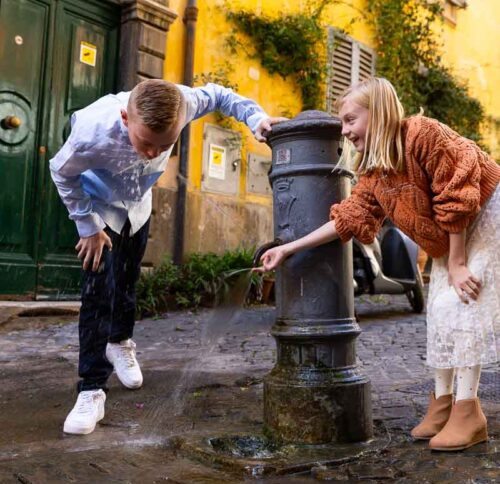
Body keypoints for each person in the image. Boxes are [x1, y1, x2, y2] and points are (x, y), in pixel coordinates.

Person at [255, 77, 499, 452]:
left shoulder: (423, 133)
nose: (345, 131)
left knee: (461, 304)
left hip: (484, 213)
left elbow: (459, 192)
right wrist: (288, 249)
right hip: (455, 232)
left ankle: (469, 414)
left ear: (379, 112)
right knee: (437, 310)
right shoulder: (376, 175)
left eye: (351, 120)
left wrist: (457, 262)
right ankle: (443, 403)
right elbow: (346, 220)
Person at [50, 79, 284, 435]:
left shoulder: (185, 102)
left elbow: (221, 95)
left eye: (163, 145)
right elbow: (61, 173)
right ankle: (91, 389)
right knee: (99, 293)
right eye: (146, 143)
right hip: (99, 210)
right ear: (126, 118)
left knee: (129, 278)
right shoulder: (90, 132)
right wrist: (87, 227)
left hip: (139, 206)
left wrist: (256, 119)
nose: (151, 153)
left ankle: (120, 342)